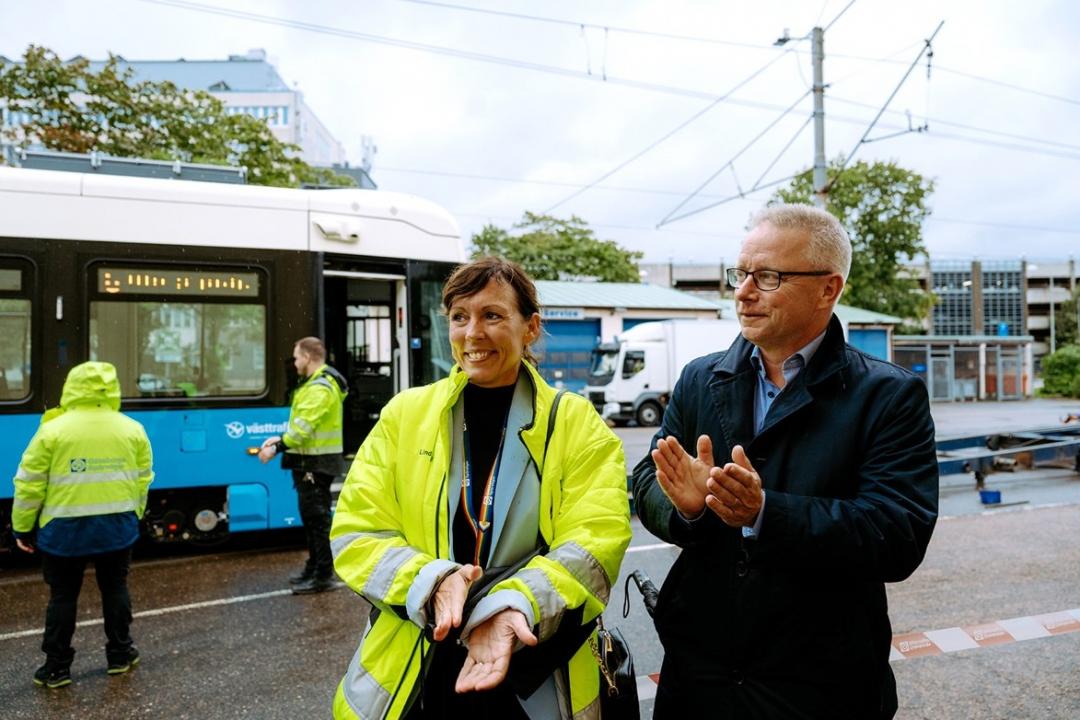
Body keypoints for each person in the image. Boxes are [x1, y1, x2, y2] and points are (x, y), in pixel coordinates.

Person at [633, 204, 939, 719]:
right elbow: (648, 477)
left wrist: (764, 512)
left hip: (822, 683)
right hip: (699, 677)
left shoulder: (887, 395)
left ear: (829, 289)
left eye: (768, 276)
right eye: (740, 273)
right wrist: (686, 508)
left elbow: (898, 534)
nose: (744, 291)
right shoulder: (700, 379)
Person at [329, 257, 632, 719]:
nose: (473, 333)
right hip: (417, 673)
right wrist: (430, 581)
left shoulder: (575, 424)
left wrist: (517, 603)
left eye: (492, 315)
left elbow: (596, 543)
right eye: (459, 317)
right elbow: (356, 534)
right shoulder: (405, 415)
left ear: (530, 327)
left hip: (533, 670)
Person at [12, 361, 154, 689]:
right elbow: (143, 479)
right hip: (117, 528)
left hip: (64, 532)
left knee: (63, 596)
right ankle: (120, 655)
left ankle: (56, 668)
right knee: (115, 589)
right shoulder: (131, 429)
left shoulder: (53, 430)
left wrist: (23, 528)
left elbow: (29, 484)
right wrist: (136, 515)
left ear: (72, 387)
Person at [259, 337, 348, 595]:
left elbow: (302, 431)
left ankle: (323, 575)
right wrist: (280, 438)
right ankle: (313, 568)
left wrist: (275, 448)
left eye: (297, 357)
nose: (295, 363)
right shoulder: (316, 384)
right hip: (309, 462)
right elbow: (303, 427)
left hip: (315, 464)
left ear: (308, 357)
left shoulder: (320, 388)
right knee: (311, 520)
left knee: (317, 521)